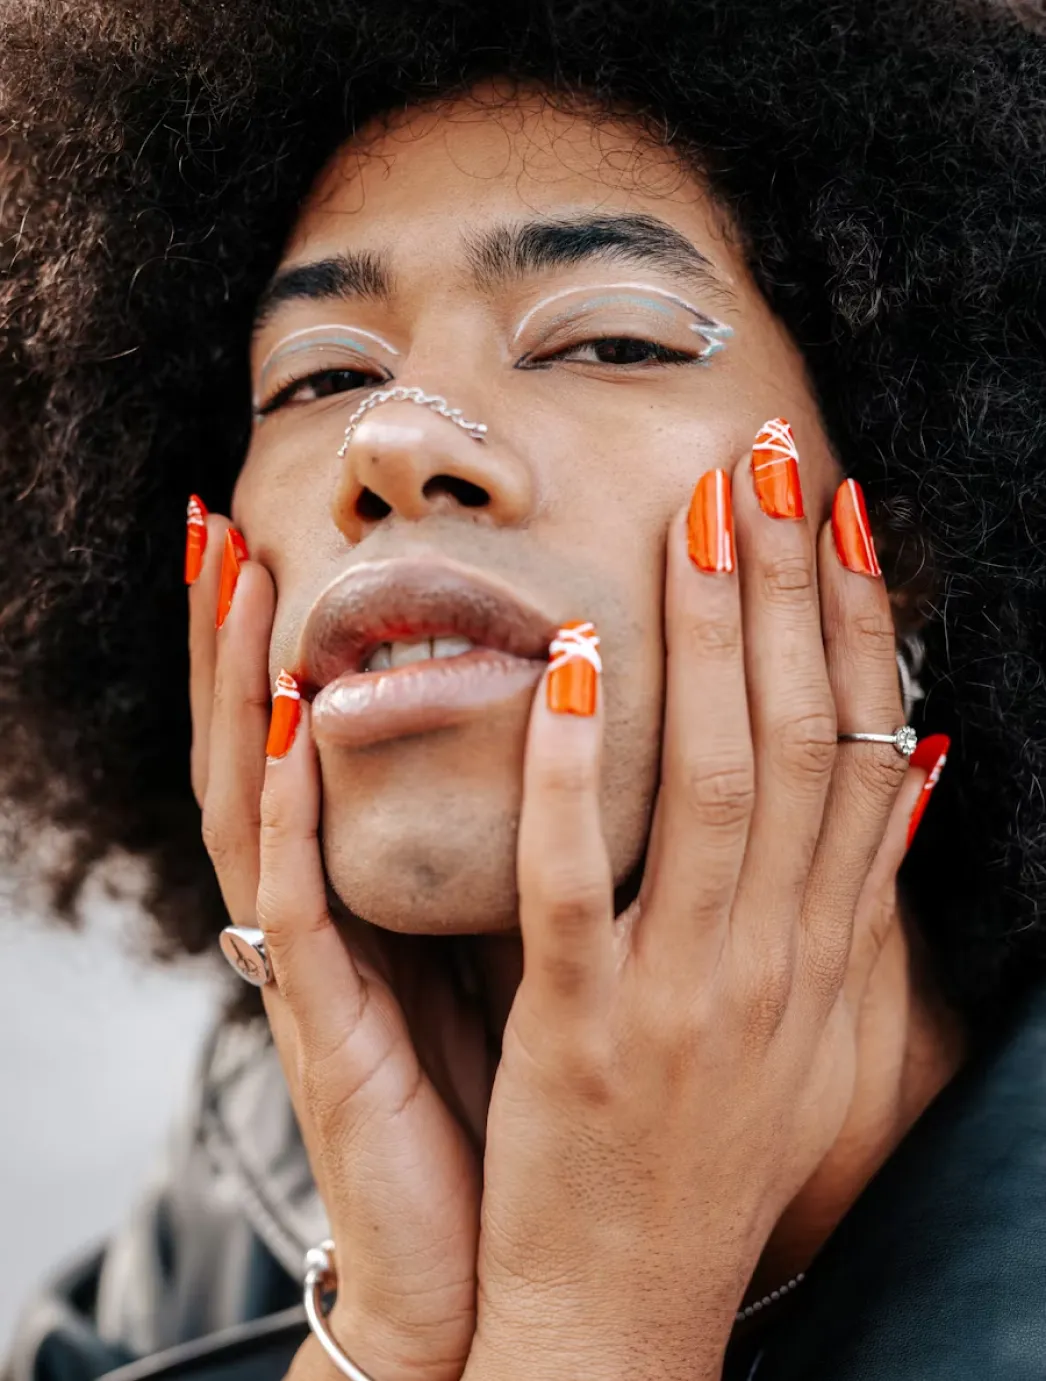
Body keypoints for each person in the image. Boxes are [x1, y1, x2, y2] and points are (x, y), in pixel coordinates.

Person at [2, 2, 1045, 1378]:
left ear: (900, 534)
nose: (393, 440)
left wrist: (586, 1330)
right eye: (317, 376)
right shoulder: (231, 1202)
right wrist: (383, 1333)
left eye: (606, 342)